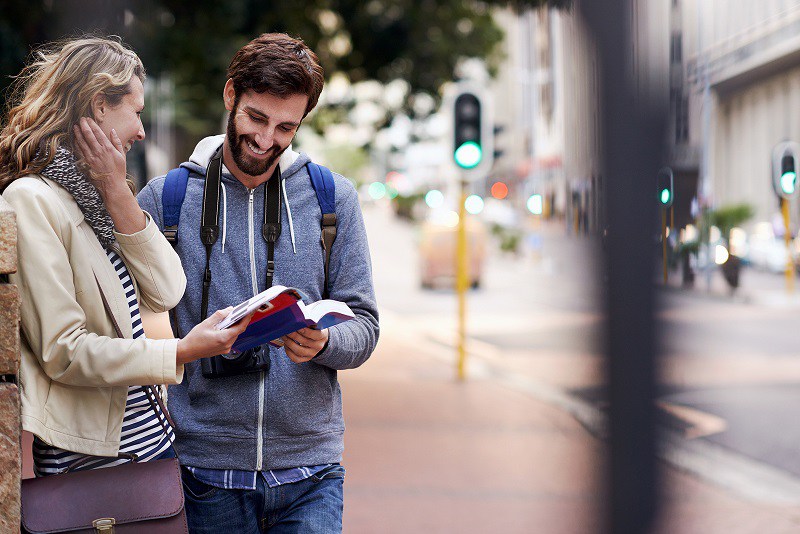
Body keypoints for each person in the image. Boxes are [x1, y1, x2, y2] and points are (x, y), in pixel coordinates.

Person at [137, 33, 379, 532]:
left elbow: (367, 326)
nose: (267, 140)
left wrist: (326, 342)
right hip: (203, 474)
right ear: (231, 96)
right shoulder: (167, 199)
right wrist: (184, 347)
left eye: (286, 127)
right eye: (256, 118)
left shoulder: (333, 200)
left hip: (311, 474)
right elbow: (123, 322)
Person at [0, 37, 251, 476]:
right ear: (100, 104)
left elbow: (168, 289)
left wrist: (118, 193)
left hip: (150, 445)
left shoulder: (98, 194)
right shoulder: (31, 200)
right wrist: (180, 351)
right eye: (135, 111)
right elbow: (65, 351)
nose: (141, 130)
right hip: (92, 461)